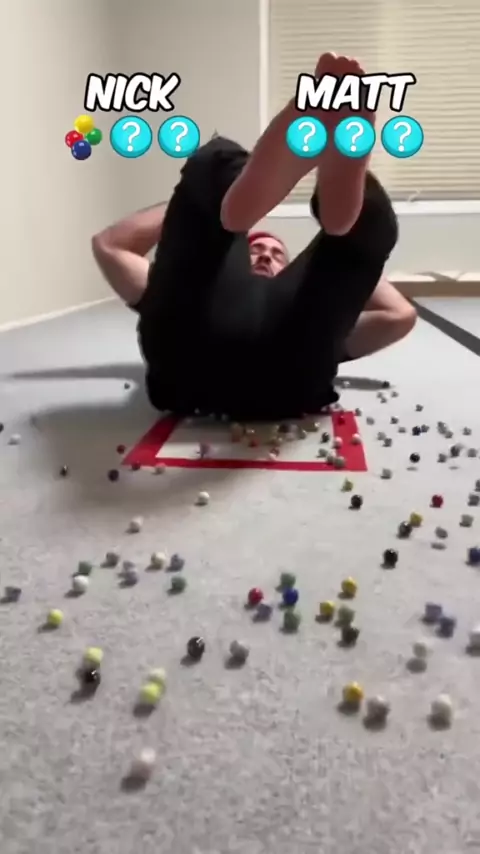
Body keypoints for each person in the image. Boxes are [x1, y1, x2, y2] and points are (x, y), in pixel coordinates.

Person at [92, 52, 416, 421]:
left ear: (288, 269)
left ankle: (325, 199)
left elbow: (400, 316)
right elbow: (108, 247)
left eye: (276, 254)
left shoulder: (306, 305)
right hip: (282, 379)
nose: (264, 254)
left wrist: (341, 284)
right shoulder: (184, 286)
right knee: (215, 182)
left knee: (216, 166)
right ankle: (242, 198)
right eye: (257, 248)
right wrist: (190, 218)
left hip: (208, 370)